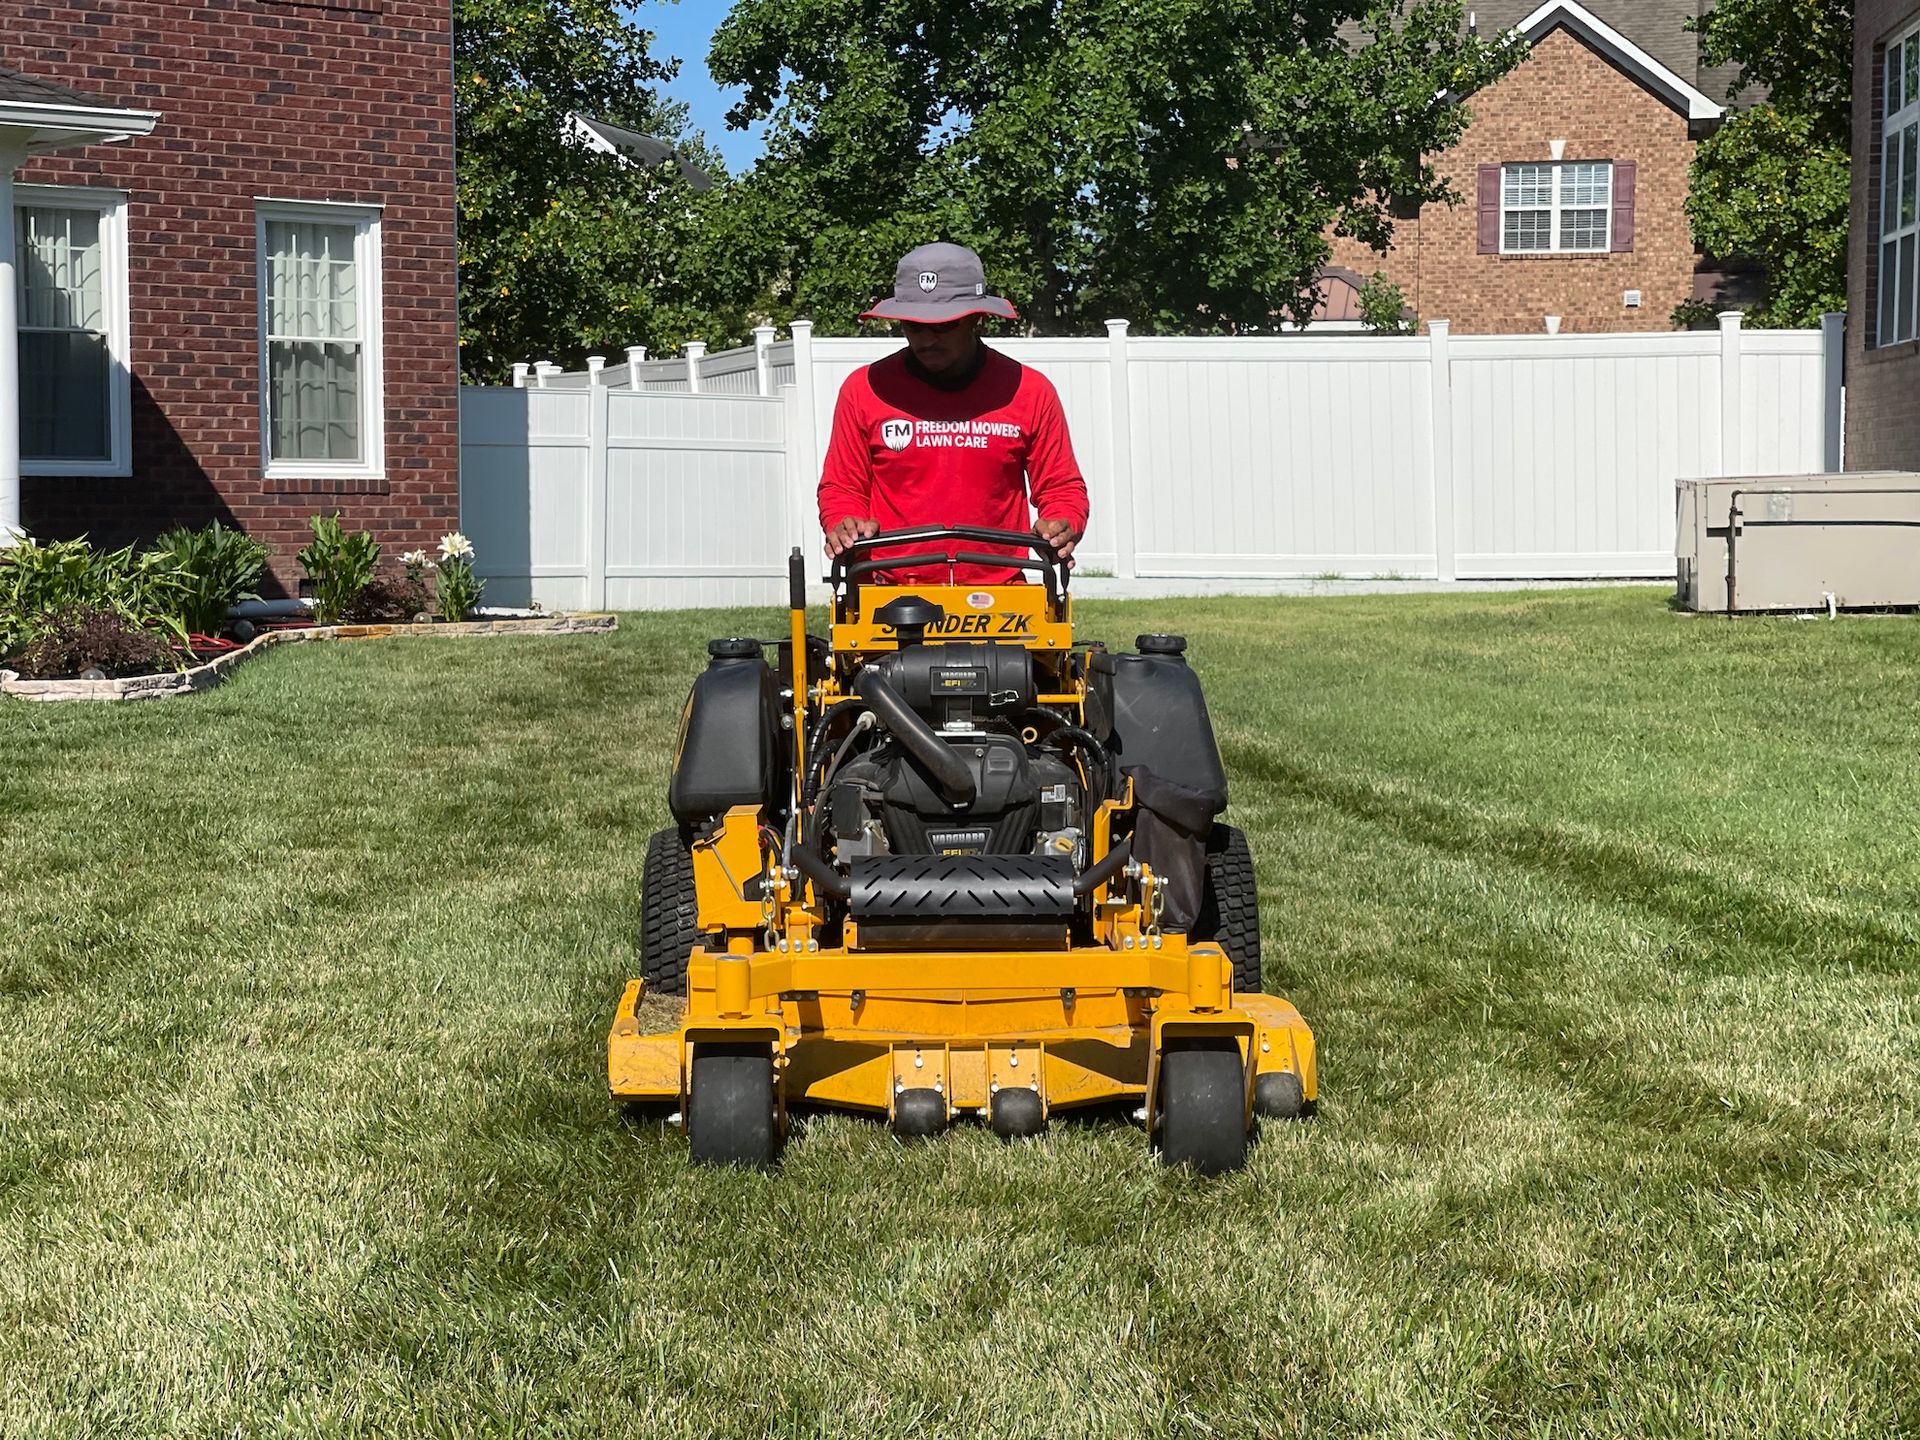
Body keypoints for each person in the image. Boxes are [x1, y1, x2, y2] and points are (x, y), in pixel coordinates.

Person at [817, 242, 1089, 584]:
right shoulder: (863, 390)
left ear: (976, 318)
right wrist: (844, 520)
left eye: (944, 326)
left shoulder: (1030, 391)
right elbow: (841, 486)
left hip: (1000, 594)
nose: (927, 339)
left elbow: (1062, 486)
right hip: (888, 592)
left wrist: (1063, 522)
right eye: (914, 326)